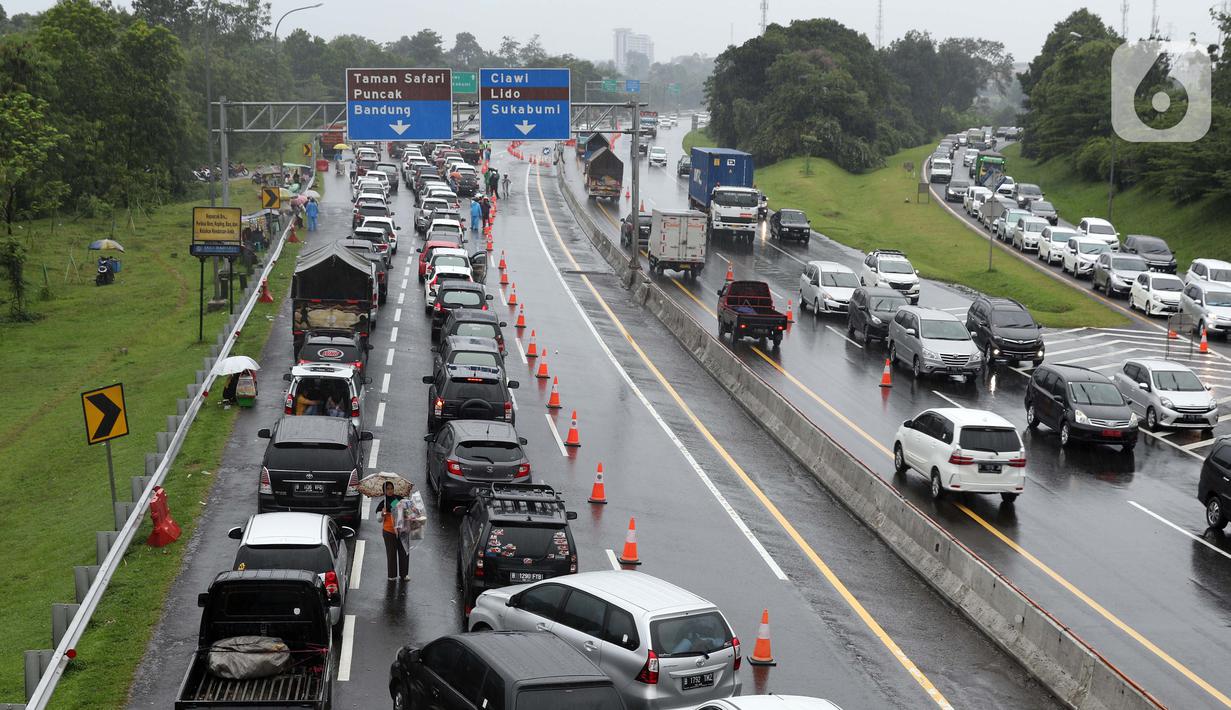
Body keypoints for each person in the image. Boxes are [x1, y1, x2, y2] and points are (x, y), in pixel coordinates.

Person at [375, 482, 410, 581]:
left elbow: (407, 510)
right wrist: (382, 513)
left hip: (402, 530)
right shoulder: (383, 504)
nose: (390, 491)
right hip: (389, 531)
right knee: (391, 554)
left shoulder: (398, 499)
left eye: (391, 488)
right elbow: (379, 520)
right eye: (387, 489)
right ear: (384, 491)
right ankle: (392, 575)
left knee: (404, 552)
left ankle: (404, 574)